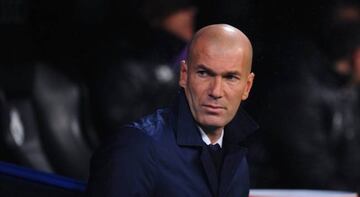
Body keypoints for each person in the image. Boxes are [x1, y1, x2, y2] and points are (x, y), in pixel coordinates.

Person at [86, 24, 258, 197]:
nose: (216, 91)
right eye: (204, 73)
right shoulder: (136, 148)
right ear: (184, 75)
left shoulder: (236, 158)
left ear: (247, 87)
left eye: (230, 77)